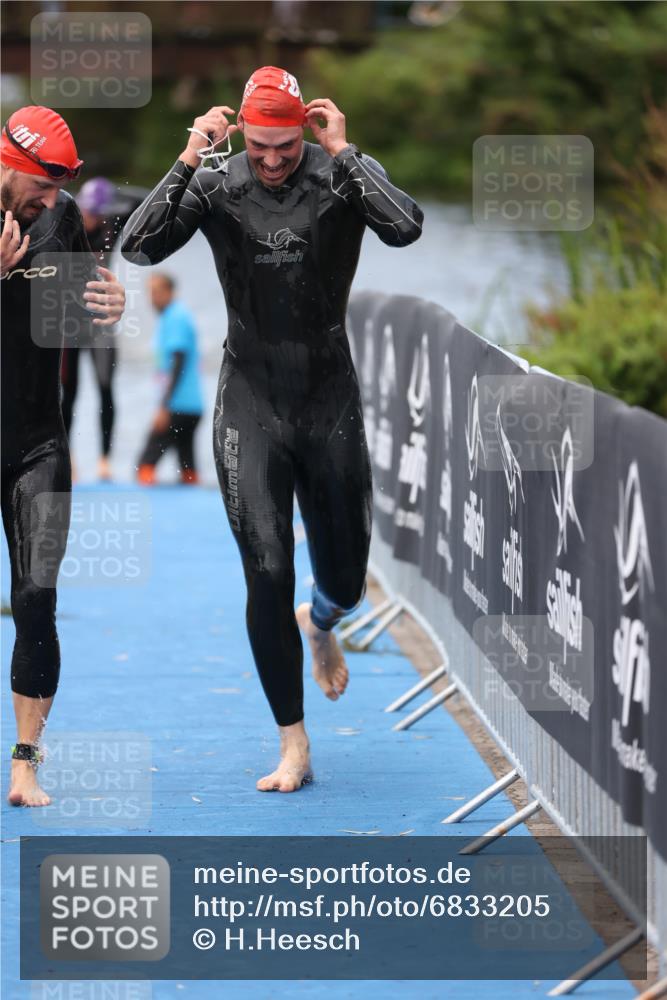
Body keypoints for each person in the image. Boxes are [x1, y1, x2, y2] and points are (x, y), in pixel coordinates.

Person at [122, 66, 423, 792]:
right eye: (259, 145)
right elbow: (138, 247)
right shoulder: (218, 181)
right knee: (264, 569)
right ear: (243, 134)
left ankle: (319, 623)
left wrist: (347, 153)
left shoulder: (342, 175)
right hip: (250, 399)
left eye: (285, 145)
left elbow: (406, 227)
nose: (272, 158)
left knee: (347, 579)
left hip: (328, 401)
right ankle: (293, 743)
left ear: (307, 129)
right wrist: (190, 153)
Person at [1, 107, 125, 806]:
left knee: (37, 598)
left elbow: (67, 321)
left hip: (36, 443)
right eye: (43, 187)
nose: (51, 201)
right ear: (9, 164)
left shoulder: (66, 216)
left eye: (58, 189)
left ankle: (25, 763)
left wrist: (107, 303)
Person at [61, 177, 143, 482]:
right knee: (68, 393)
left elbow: (142, 202)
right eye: (90, 210)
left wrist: (113, 193)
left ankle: (105, 459)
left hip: (100, 321)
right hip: (69, 320)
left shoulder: (113, 224)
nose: (94, 217)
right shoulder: (67, 221)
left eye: (99, 211)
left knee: (106, 389)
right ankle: (67, 457)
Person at [136, 272, 204, 485]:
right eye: (150, 292)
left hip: (178, 405)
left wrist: (165, 406)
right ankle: (194, 497)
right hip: (191, 405)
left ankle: (148, 511)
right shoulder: (172, 316)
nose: (152, 297)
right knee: (187, 461)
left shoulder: (176, 317)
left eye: (157, 292)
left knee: (145, 462)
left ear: (170, 292)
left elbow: (178, 363)